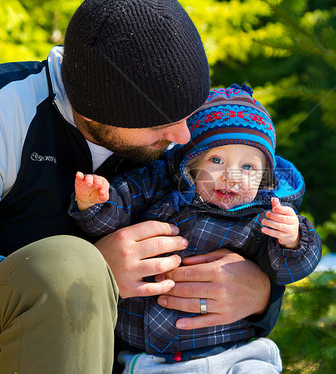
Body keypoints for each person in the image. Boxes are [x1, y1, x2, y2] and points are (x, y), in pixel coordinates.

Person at [0, 1, 283, 373]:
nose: (183, 135)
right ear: (94, 110)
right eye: (160, 122)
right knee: (72, 266)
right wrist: (94, 274)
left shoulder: (175, 140)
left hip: (136, 356)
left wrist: (261, 294)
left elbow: (236, 227)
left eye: (188, 114)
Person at [70, 84, 323, 373]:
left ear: (266, 177)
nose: (232, 176)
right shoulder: (160, 190)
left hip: (238, 351)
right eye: (216, 160)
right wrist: (95, 203)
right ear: (190, 165)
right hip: (155, 358)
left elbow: (287, 270)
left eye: (249, 168)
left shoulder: (265, 216)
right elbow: (113, 219)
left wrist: (293, 239)